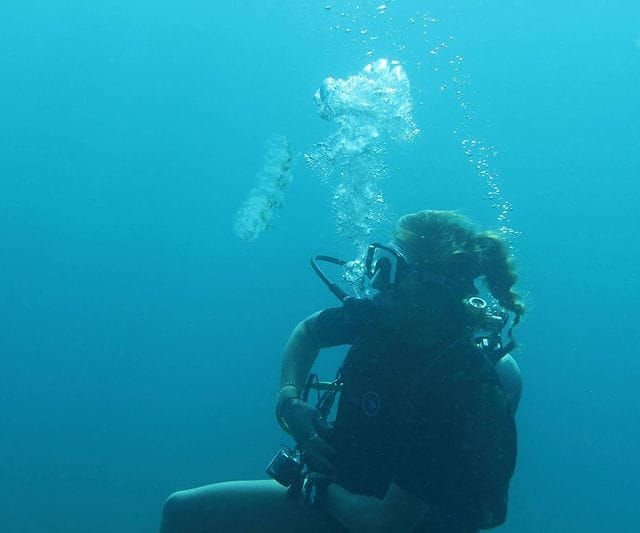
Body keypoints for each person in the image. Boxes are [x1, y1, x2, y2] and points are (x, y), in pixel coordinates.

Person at [161, 210, 524, 533]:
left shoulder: (459, 385)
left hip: (399, 521)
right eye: (378, 262)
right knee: (183, 512)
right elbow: (307, 332)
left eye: (392, 266)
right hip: (343, 493)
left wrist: (316, 487)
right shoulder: (380, 317)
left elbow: (387, 522)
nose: (377, 280)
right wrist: (288, 398)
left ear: (431, 286)